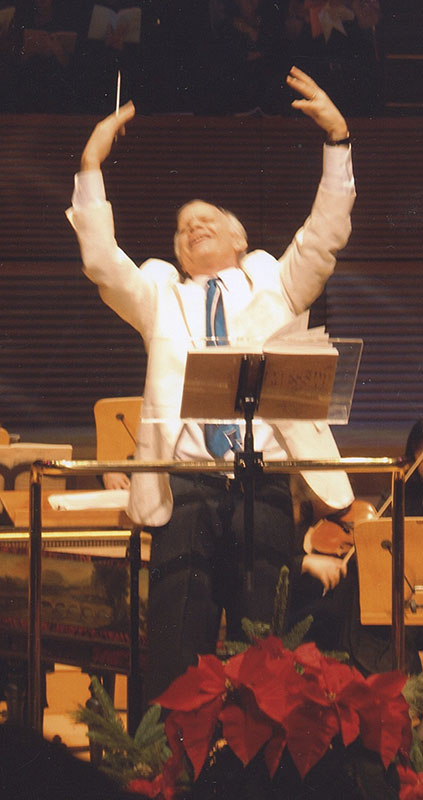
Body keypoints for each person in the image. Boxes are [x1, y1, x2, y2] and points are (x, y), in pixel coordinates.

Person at [67, 66, 356, 701]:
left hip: (265, 485)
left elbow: (324, 235)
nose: (192, 227)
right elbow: (101, 261)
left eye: (207, 220)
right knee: (177, 655)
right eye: (182, 226)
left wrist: (337, 140)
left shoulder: (277, 285)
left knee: (267, 658)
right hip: (187, 489)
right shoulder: (158, 297)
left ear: (238, 237)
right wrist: (91, 163)